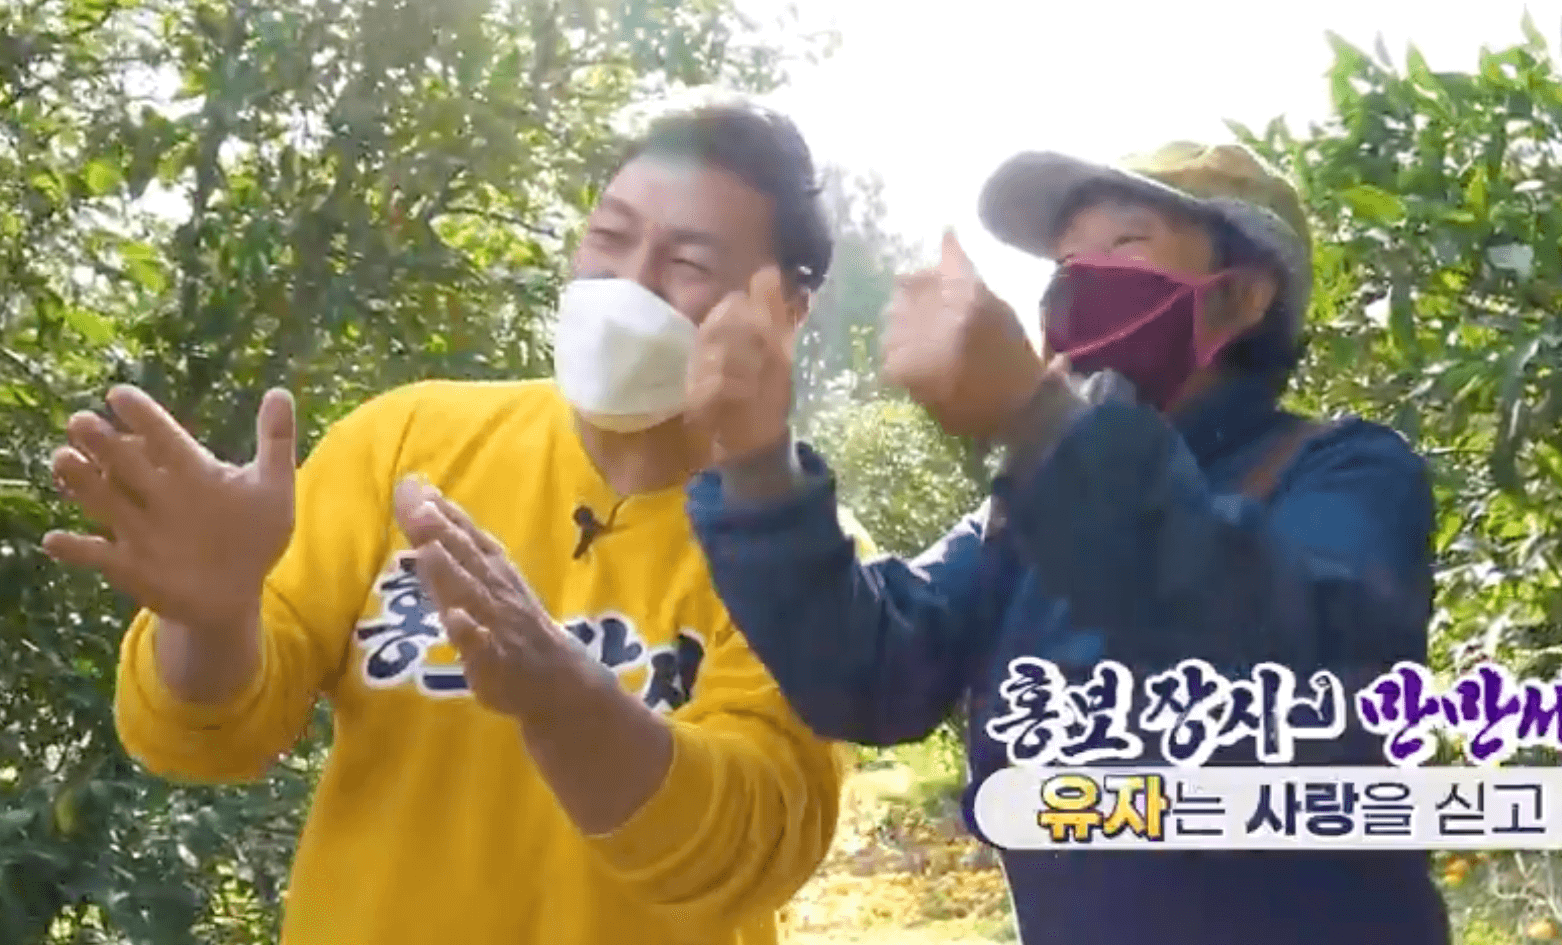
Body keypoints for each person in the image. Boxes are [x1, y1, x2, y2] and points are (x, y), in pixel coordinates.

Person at [42, 102, 854, 945]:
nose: (628, 285)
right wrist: (212, 620)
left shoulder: (803, 558)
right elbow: (208, 740)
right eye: (610, 238)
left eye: (687, 261)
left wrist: (564, 698)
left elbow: (753, 844)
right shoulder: (407, 444)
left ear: (785, 311)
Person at [683, 140, 1452, 944]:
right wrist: (758, 466)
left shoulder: (1344, 473)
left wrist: (1039, 424)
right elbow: (874, 675)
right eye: (1065, 261)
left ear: (1243, 295)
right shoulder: (1027, 514)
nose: (1081, 280)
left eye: (1125, 243)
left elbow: (1287, 672)